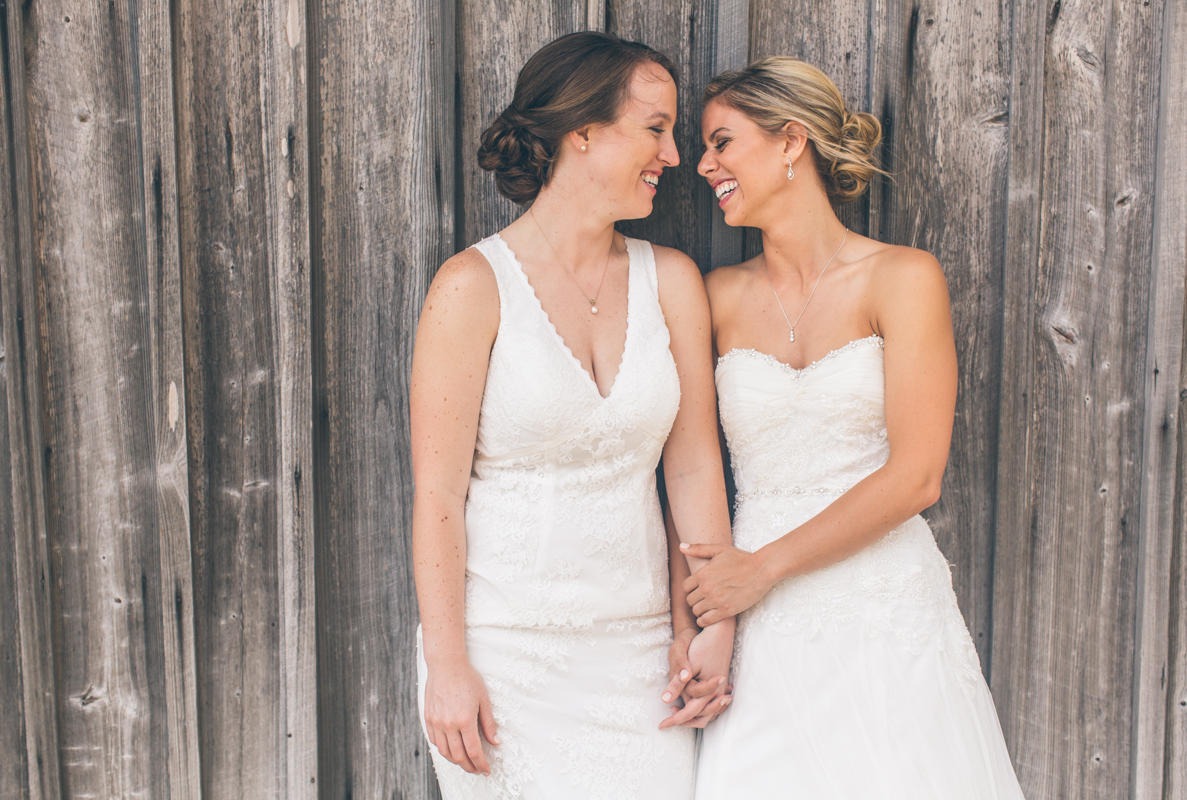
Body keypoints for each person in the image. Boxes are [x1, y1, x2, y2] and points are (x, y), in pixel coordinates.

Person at [677, 57, 1027, 799]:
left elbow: (917, 475)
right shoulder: (714, 296)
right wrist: (714, 610)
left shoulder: (901, 278)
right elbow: (688, 456)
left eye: (721, 142)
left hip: (879, 599)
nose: (704, 165)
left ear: (790, 142)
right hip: (761, 621)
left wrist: (762, 567)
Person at [410, 31, 734, 799]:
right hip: (504, 659)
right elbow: (438, 497)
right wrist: (449, 666)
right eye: (655, 128)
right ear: (582, 133)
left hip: (643, 656)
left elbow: (692, 467)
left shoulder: (674, 282)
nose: (674, 155)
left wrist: (711, 622)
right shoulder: (470, 287)